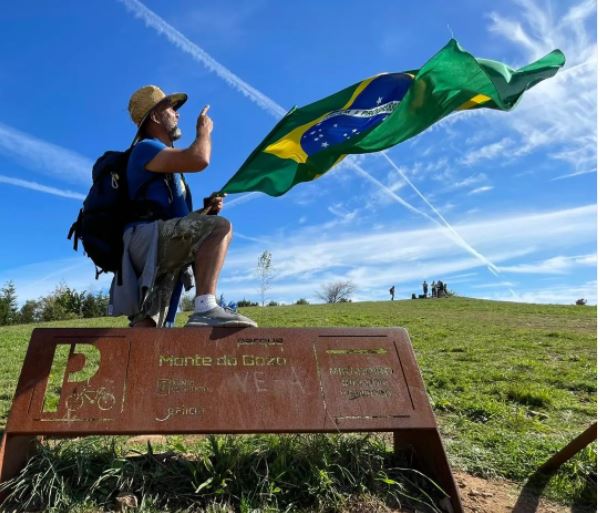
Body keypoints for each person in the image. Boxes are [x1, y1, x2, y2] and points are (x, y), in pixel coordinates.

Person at [109, 85, 257, 328]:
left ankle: (135, 361)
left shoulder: (164, 162)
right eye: (171, 109)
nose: (177, 114)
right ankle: (206, 308)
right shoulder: (146, 148)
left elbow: (174, 218)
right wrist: (204, 132)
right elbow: (199, 158)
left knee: (150, 322)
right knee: (219, 228)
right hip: (147, 239)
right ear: (156, 116)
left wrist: (204, 211)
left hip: (153, 241)